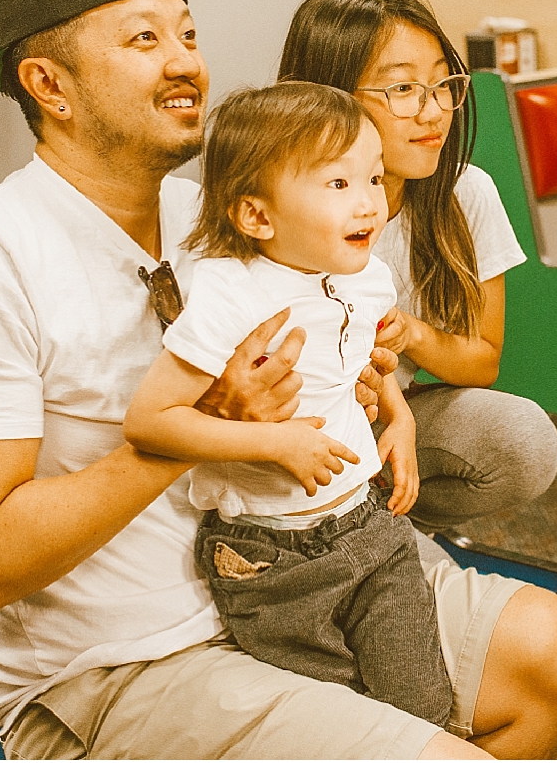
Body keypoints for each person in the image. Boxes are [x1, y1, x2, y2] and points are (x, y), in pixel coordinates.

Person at [0, 0, 557, 759]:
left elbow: (345, 343)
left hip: (297, 567)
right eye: (143, 38)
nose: (185, 60)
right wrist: (209, 423)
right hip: (122, 666)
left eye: (187, 33)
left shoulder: (220, 217)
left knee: (556, 653)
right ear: (49, 84)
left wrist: (370, 391)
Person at [124, 82, 449, 724]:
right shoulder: (232, 295)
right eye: (338, 185)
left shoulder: (365, 273)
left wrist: (400, 414)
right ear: (257, 217)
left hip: (368, 524)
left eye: (374, 179)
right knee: (340, 724)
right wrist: (275, 442)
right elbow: (151, 421)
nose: (369, 204)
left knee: (424, 708)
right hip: (270, 556)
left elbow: (358, 355)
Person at [278, 0, 557, 533]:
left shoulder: (466, 194)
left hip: (395, 410)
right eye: (404, 88)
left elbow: (482, 361)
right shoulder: (285, 205)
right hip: (296, 425)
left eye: (442, 85)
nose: (433, 112)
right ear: (327, 94)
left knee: (522, 441)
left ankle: (392, 523)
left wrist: (409, 334)